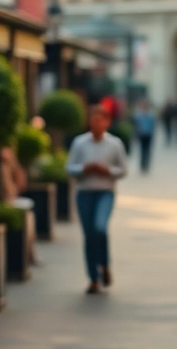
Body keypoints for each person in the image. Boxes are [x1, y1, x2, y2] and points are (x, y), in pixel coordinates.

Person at [65, 105, 128, 294]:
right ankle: (93, 277)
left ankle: (104, 264)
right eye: (93, 120)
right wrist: (84, 169)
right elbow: (69, 168)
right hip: (85, 192)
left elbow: (123, 170)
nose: (96, 124)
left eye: (100, 120)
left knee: (100, 228)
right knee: (89, 235)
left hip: (105, 192)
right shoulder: (80, 143)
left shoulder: (115, 144)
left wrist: (107, 171)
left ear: (107, 122)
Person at [132, 99, 156, 174]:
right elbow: (136, 126)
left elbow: (153, 126)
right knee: (142, 150)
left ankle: (146, 165)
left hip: (148, 134)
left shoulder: (151, 116)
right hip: (141, 134)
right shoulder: (138, 116)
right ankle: (142, 165)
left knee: (147, 150)